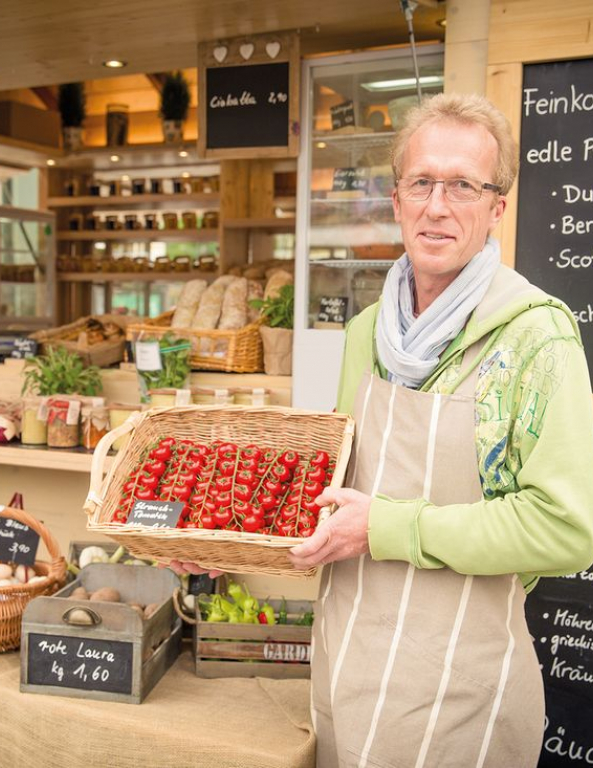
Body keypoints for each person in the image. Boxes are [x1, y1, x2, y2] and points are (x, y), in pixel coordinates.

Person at [287, 93, 593, 767]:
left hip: (462, 685)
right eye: (421, 182)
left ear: (497, 208)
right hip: (349, 664)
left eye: (463, 186)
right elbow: (340, 490)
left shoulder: (535, 337)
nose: (437, 205)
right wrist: (221, 542)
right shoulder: (366, 332)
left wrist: (388, 528)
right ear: (396, 200)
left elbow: (566, 528)